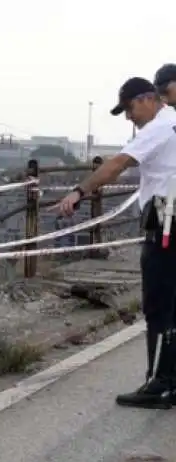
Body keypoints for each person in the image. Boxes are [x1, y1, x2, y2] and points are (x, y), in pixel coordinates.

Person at [54, 77, 176, 409]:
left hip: (166, 218)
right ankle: (171, 380)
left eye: (130, 108)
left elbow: (118, 164)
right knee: (172, 305)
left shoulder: (159, 128)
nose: (129, 117)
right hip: (170, 213)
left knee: (159, 305)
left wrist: (80, 192)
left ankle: (160, 383)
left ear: (149, 99)